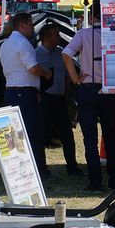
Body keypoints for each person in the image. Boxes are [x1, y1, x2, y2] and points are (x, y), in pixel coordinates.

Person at [62, 0, 115, 191]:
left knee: (90, 139)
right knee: (110, 136)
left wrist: (74, 79)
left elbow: (66, 54)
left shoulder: (83, 34)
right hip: (108, 89)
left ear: (92, 15)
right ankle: (114, 180)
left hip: (87, 88)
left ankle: (95, 181)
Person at [0, 12, 53, 177]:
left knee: (13, 135)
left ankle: (16, 170)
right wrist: (46, 74)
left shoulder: (5, 44)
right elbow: (33, 68)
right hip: (25, 92)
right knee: (32, 133)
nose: (32, 28)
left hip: (11, 91)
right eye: (30, 25)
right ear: (22, 25)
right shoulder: (23, 43)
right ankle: (38, 170)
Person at [36, 24, 81, 176]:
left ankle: (72, 168)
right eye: (56, 35)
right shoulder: (35, 55)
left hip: (60, 100)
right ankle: (41, 169)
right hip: (44, 100)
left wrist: (66, 94)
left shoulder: (61, 54)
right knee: (40, 134)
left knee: (67, 134)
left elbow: (67, 77)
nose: (59, 38)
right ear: (47, 38)